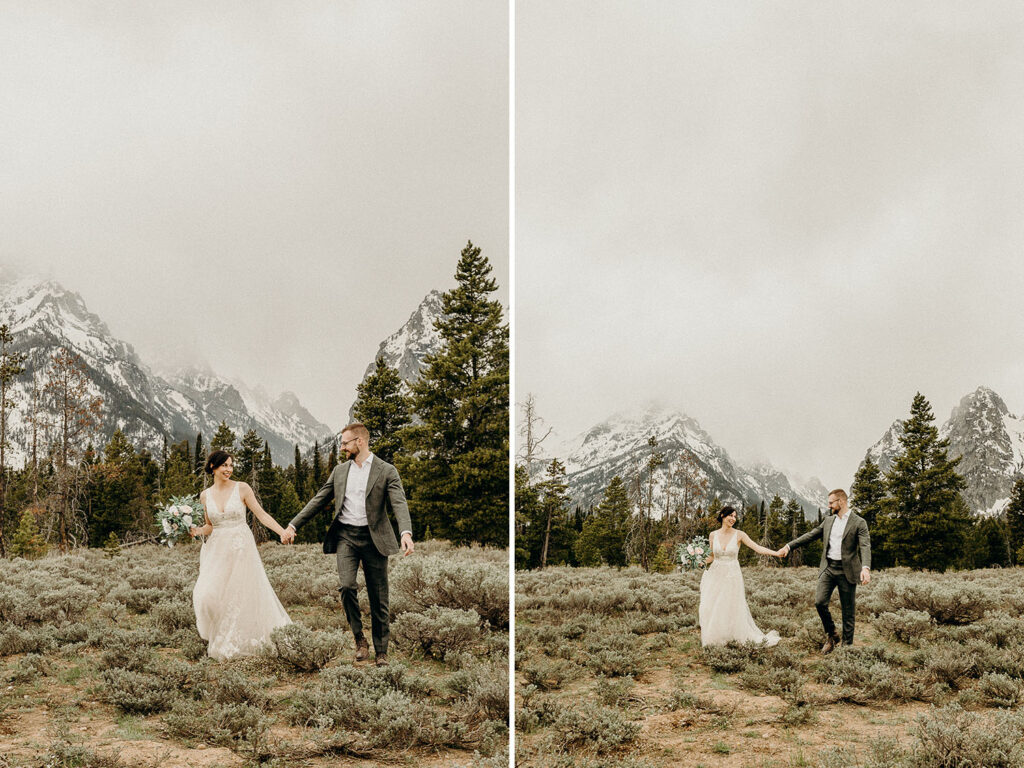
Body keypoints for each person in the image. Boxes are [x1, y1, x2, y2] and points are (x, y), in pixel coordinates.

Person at [282, 423, 413, 666]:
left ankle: (381, 651)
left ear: (360, 442)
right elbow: (319, 499)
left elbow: (399, 503)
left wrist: (405, 532)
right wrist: (293, 525)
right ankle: (359, 639)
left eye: (345, 443)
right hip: (346, 537)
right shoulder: (340, 472)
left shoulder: (386, 471)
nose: (342, 447)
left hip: (374, 539)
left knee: (379, 596)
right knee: (346, 586)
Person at [189, 450, 292, 660]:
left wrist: (282, 531)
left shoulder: (242, 488)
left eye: (231, 465)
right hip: (216, 550)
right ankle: (216, 633)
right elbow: (209, 526)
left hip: (240, 548)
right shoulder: (205, 495)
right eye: (224, 465)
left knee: (238, 595)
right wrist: (196, 530)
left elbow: (261, 515)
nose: (229, 469)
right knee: (205, 594)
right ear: (212, 467)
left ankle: (235, 641)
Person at [778, 488, 871, 654]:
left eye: (831, 502)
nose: (828, 506)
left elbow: (865, 545)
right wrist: (789, 546)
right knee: (819, 602)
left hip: (847, 571)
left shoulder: (859, 523)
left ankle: (847, 648)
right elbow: (810, 535)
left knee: (848, 611)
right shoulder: (828, 521)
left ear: (841, 502)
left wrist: (865, 568)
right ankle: (832, 635)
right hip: (828, 569)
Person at [699, 506, 783, 647]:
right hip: (715, 573)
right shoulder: (713, 535)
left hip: (732, 575)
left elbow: (757, 547)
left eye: (735, 516)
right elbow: (712, 556)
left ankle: (734, 637)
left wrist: (776, 553)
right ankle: (716, 639)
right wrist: (700, 561)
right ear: (722, 516)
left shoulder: (739, 534)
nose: (733, 519)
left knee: (731, 605)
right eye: (730, 516)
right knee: (713, 605)